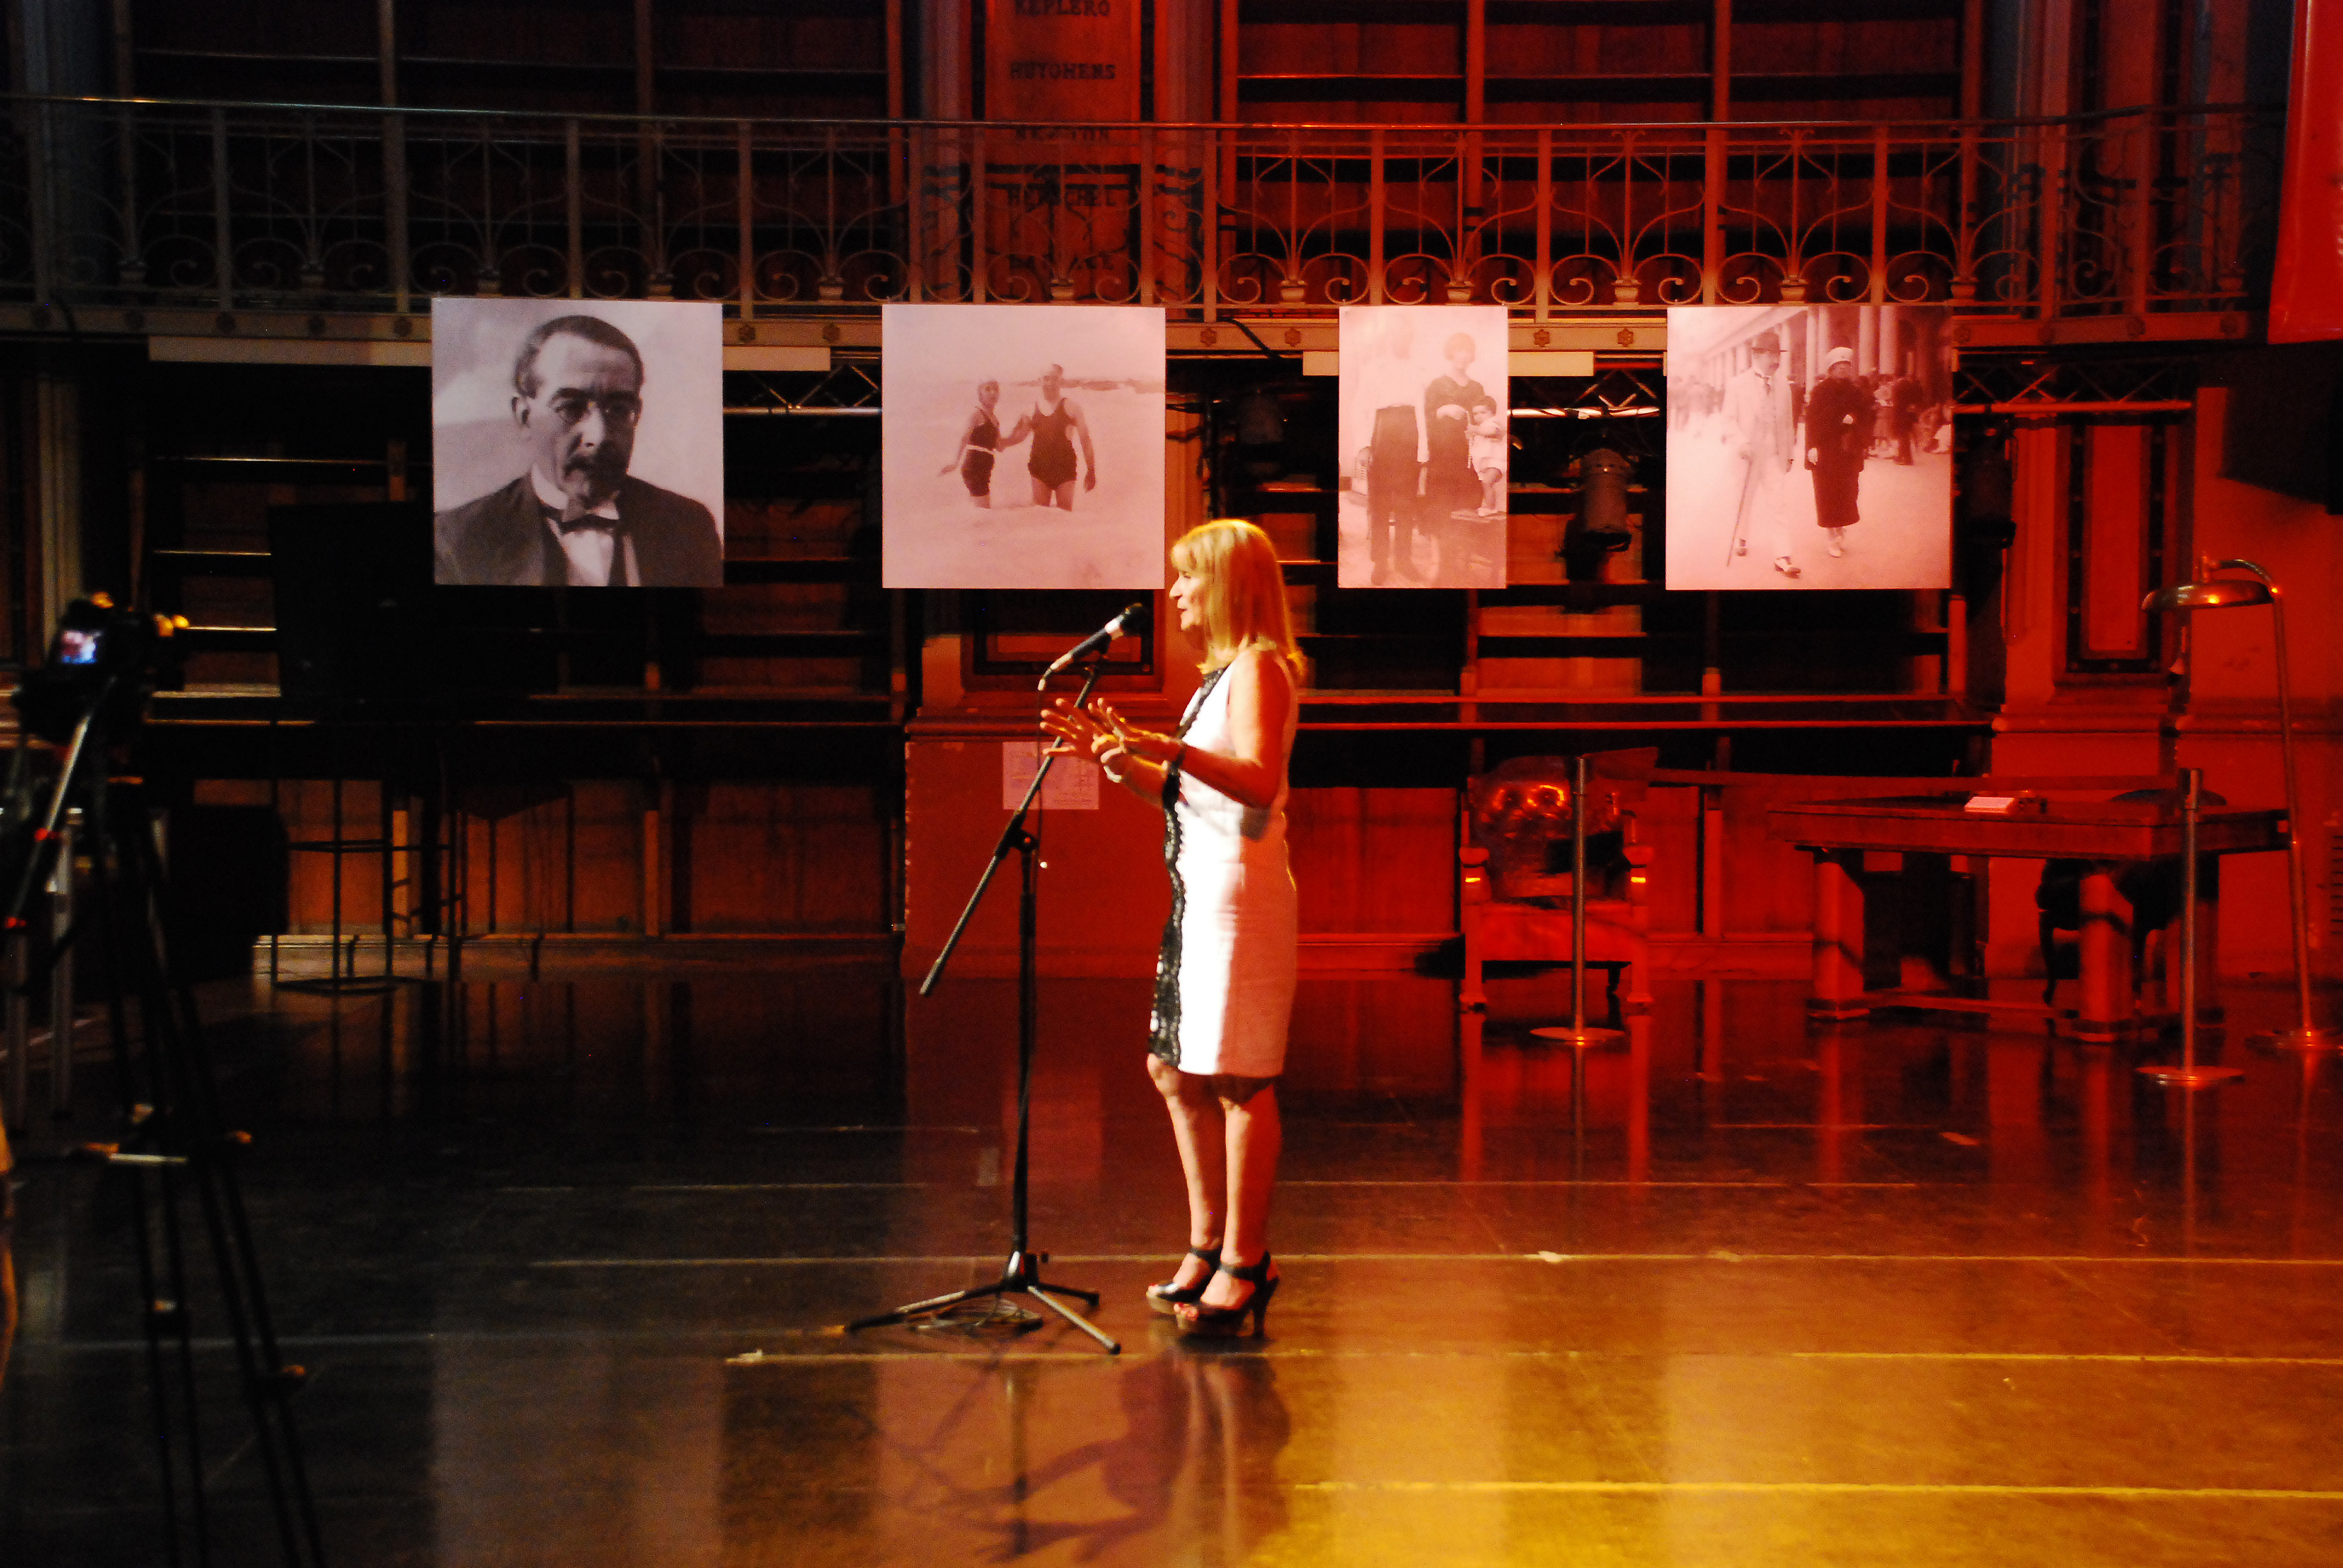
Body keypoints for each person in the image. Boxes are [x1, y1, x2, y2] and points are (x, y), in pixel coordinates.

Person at [1039, 518, 1300, 1338]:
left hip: (1241, 899)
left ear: (1226, 586)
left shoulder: (1261, 671)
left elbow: (1258, 784)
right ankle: (1207, 1241)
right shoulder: (1217, 681)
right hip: (1200, 892)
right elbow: (1198, 794)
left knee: (1239, 1079)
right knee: (1171, 1070)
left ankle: (1246, 1261)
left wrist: (1164, 747)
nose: (1176, 594)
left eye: (1189, 579)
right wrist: (1126, 765)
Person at [436, 314, 724, 587]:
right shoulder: (457, 540)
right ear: (524, 417)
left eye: (620, 409)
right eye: (570, 408)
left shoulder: (690, 527)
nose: (598, 437)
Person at [1721, 332, 1798, 577]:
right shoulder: (1737, 384)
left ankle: (1782, 556)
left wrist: (1788, 453)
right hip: (1748, 455)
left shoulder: (1783, 384)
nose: (1777, 360)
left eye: (1778, 354)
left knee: (1778, 503)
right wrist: (1742, 443)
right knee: (1744, 500)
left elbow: (1788, 422)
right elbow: (1728, 420)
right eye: (1772, 354)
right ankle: (1741, 537)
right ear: (1757, 355)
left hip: (1773, 454)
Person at [1422, 332, 1487, 570]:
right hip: (1443, 455)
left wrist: (1480, 426)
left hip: (1469, 457)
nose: (1464, 355)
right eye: (1460, 350)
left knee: (1466, 505)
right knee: (1442, 506)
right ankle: (1440, 563)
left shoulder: (1477, 387)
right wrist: (1444, 410)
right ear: (1451, 353)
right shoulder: (1437, 385)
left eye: (1468, 351)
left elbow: (1484, 416)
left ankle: (1461, 562)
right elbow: (1426, 418)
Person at [1804, 345, 1870, 558]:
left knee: (1849, 492)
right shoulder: (1820, 391)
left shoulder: (1856, 391)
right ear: (1831, 368)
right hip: (1826, 450)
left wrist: (1856, 420)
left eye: (1846, 365)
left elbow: (1868, 415)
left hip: (1848, 450)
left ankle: (1840, 527)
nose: (1843, 369)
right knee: (1827, 493)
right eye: (1839, 365)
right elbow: (1812, 421)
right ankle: (1832, 537)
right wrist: (1812, 447)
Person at [1006, 364, 1096, 510]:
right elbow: (1019, 437)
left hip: (1065, 469)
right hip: (1039, 469)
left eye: (1055, 379)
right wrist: (1001, 443)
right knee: (1040, 517)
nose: (1050, 383)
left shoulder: (1072, 407)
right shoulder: (1030, 409)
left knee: (1064, 517)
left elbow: (1085, 440)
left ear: (1061, 380)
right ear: (1040, 380)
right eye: (1046, 379)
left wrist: (1091, 470)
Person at [939, 379, 1010, 507]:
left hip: (984, 469)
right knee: (983, 511)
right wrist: (955, 463)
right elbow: (964, 437)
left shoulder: (995, 420)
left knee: (978, 511)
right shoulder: (977, 414)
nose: (993, 392)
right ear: (980, 394)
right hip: (974, 467)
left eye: (996, 389)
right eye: (988, 389)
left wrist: (1019, 431)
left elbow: (1000, 447)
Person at [1467, 396, 1507, 515]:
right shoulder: (1481, 427)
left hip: (1496, 461)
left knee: (1487, 483)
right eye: (1475, 413)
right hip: (1486, 462)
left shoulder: (1493, 422)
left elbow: (1492, 431)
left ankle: (1491, 508)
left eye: (1483, 412)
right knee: (1486, 484)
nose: (1478, 416)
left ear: (1492, 412)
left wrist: (1475, 429)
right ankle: (1488, 506)